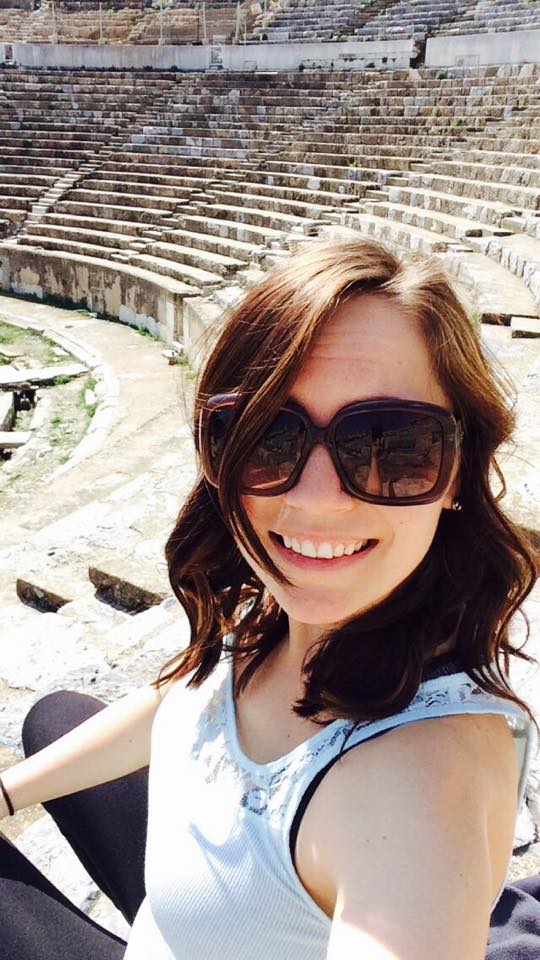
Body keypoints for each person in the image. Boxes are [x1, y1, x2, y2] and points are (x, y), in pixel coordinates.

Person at [1, 235, 540, 960]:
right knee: (53, 716)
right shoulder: (285, 613)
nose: (314, 501)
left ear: (459, 474)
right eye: (268, 438)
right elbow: (193, 694)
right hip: (192, 912)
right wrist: (7, 794)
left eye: (392, 445)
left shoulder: (423, 782)